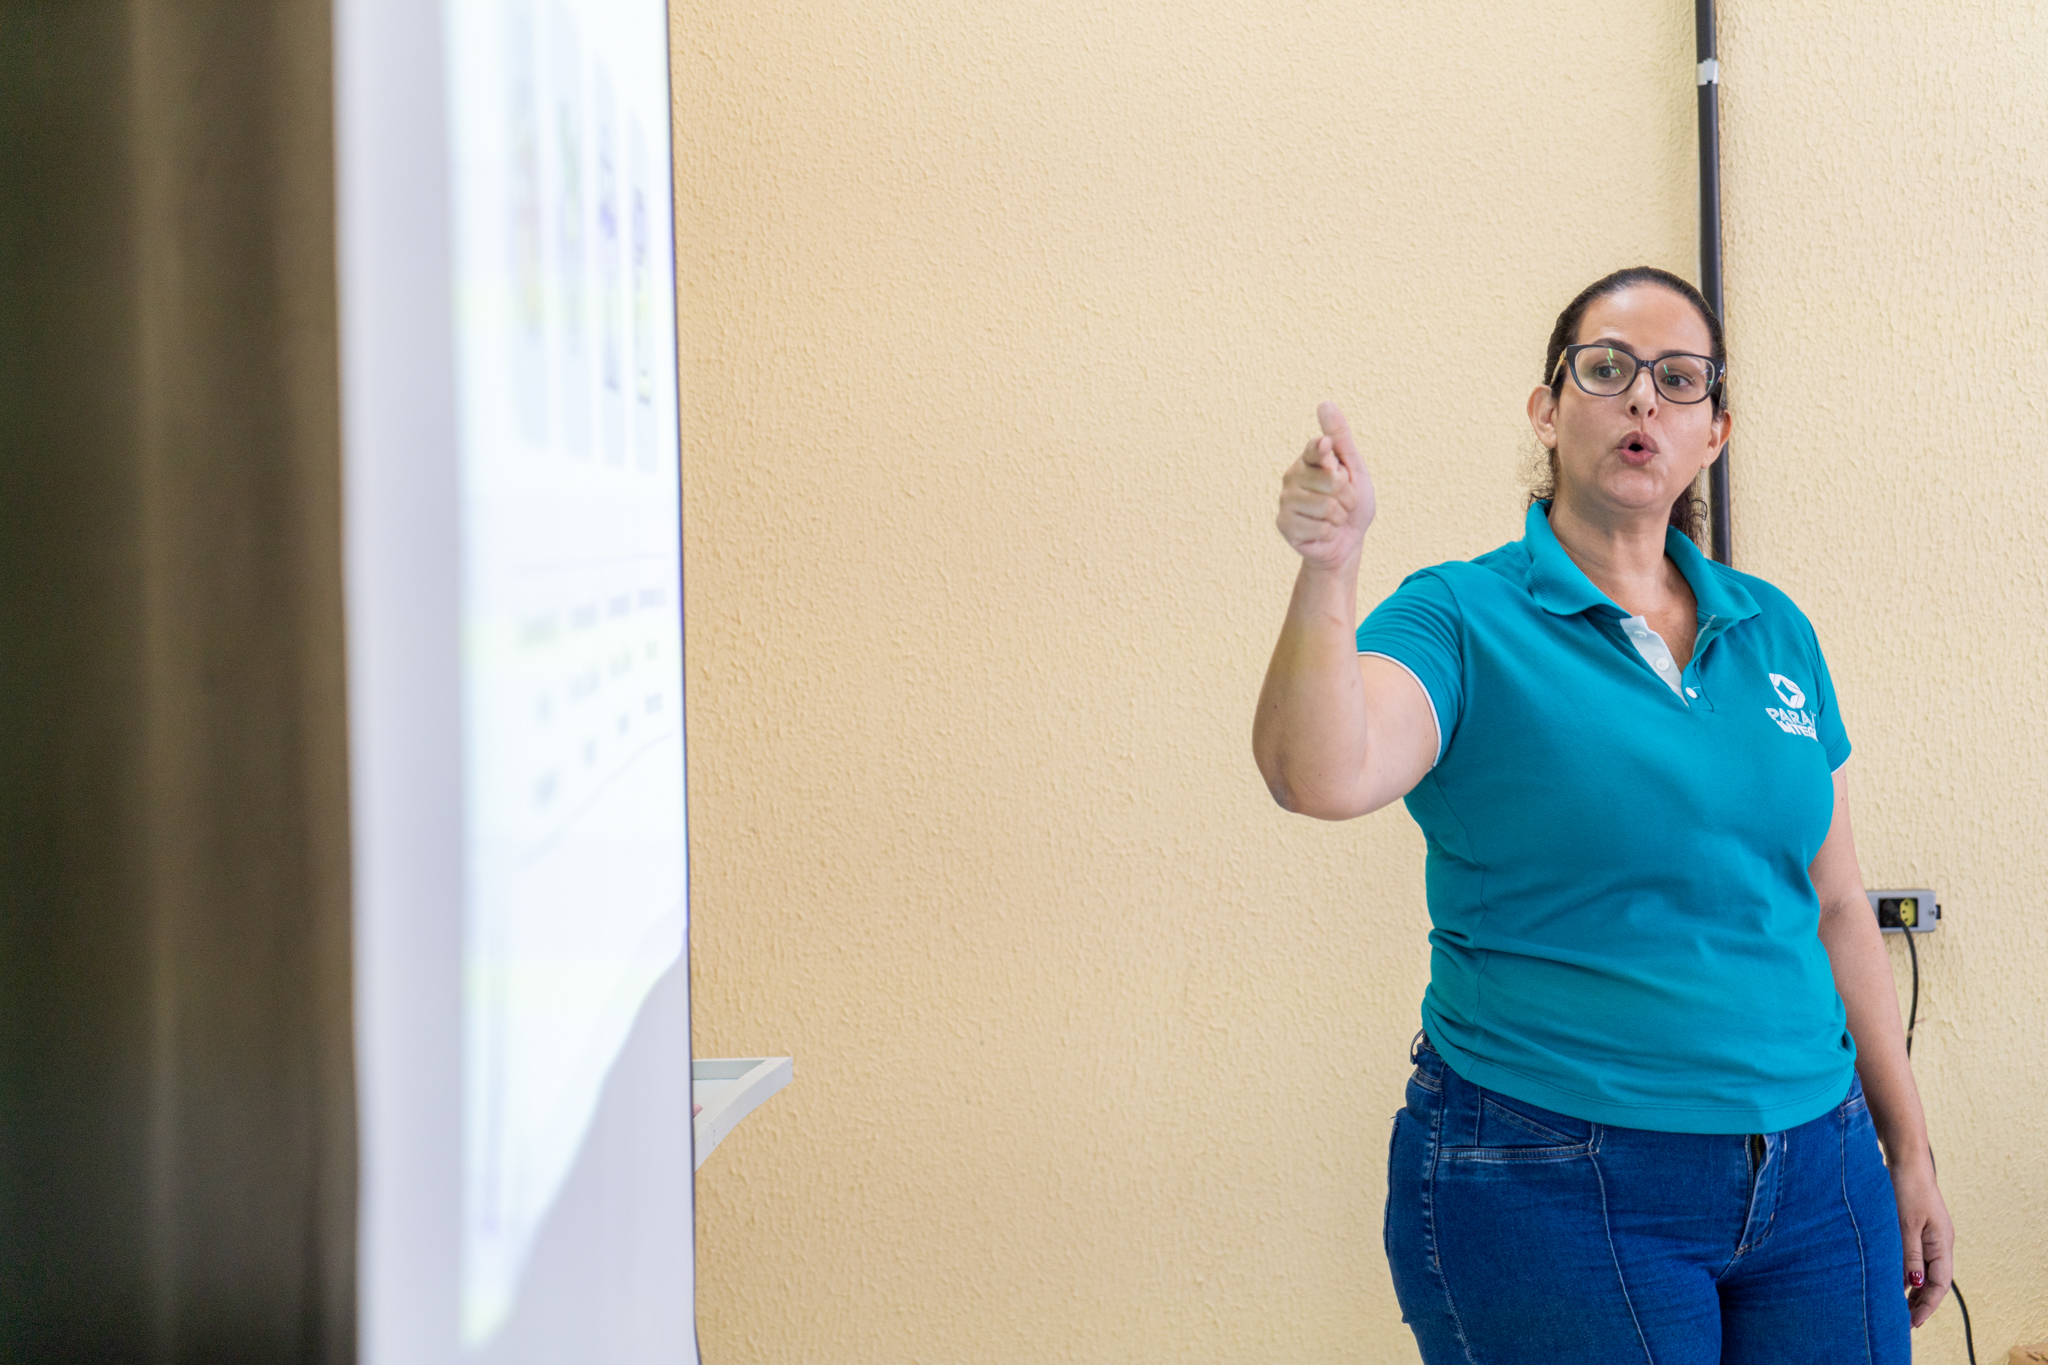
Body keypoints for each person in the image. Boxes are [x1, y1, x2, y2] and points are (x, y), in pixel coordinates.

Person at [1252, 266, 1953, 1363]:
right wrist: (1328, 574)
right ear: (1546, 408)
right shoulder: (1459, 614)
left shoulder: (1772, 628)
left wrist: (1906, 1151)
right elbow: (1317, 773)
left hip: (1818, 1175)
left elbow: (1832, 906)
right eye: (1607, 367)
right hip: (1552, 1176)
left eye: (1678, 380)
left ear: (1714, 433)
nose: (1640, 398)